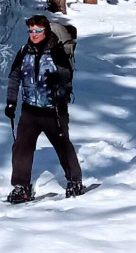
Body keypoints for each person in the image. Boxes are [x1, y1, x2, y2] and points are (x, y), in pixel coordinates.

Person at [5, 14, 84, 203]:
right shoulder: (24, 51)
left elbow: (67, 74)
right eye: (31, 30)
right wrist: (11, 102)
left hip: (54, 110)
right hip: (30, 111)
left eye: (38, 30)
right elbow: (15, 77)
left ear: (46, 30)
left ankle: (74, 181)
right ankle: (21, 187)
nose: (34, 34)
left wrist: (58, 82)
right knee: (21, 148)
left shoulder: (56, 51)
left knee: (63, 145)